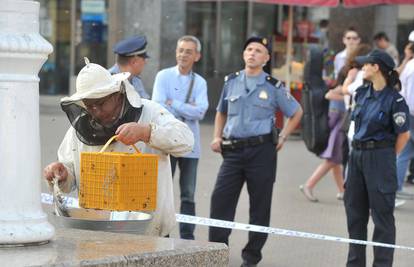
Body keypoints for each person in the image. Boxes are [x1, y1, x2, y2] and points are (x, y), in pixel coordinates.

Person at [43, 58, 194, 237]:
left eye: (100, 104)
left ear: (116, 94)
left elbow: (186, 141)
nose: (96, 111)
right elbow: (71, 177)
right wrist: (62, 173)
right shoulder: (80, 128)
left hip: (149, 231)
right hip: (98, 230)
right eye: (89, 106)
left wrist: (147, 132)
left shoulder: (150, 112)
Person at [209, 37, 303, 267]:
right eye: (249, 49)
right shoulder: (231, 82)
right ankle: (218, 252)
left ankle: (251, 258)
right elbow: (221, 111)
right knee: (220, 200)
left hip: (262, 152)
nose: (252, 53)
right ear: (243, 54)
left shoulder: (273, 86)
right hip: (232, 151)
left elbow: (296, 111)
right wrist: (216, 136)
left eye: (258, 51)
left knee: (260, 205)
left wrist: (283, 136)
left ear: (266, 58)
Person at [344, 50, 410, 267]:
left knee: (382, 219)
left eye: (366, 64)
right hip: (357, 156)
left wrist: (387, 158)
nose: (362, 67)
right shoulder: (361, 93)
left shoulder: (395, 100)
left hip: (380, 157)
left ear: (377, 67)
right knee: (355, 215)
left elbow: (403, 134)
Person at [152, 35, 208, 240]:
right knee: (162, 191)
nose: (183, 54)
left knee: (188, 193)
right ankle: (161, 233)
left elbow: (201, 111)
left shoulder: (200, 83)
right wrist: (187, 107)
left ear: (197, 56)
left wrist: (173, 102)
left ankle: (187, 236)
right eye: (181, 50)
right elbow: (157, 106)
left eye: (188, 51)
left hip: (191, 146)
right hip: (166, 143)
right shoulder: (163, 76)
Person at [395, 42, 414, 201]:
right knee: (405, 151)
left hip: (409, 113)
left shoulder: (410, 64)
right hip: (412, 113)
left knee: (405, 152)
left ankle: (396, 186)